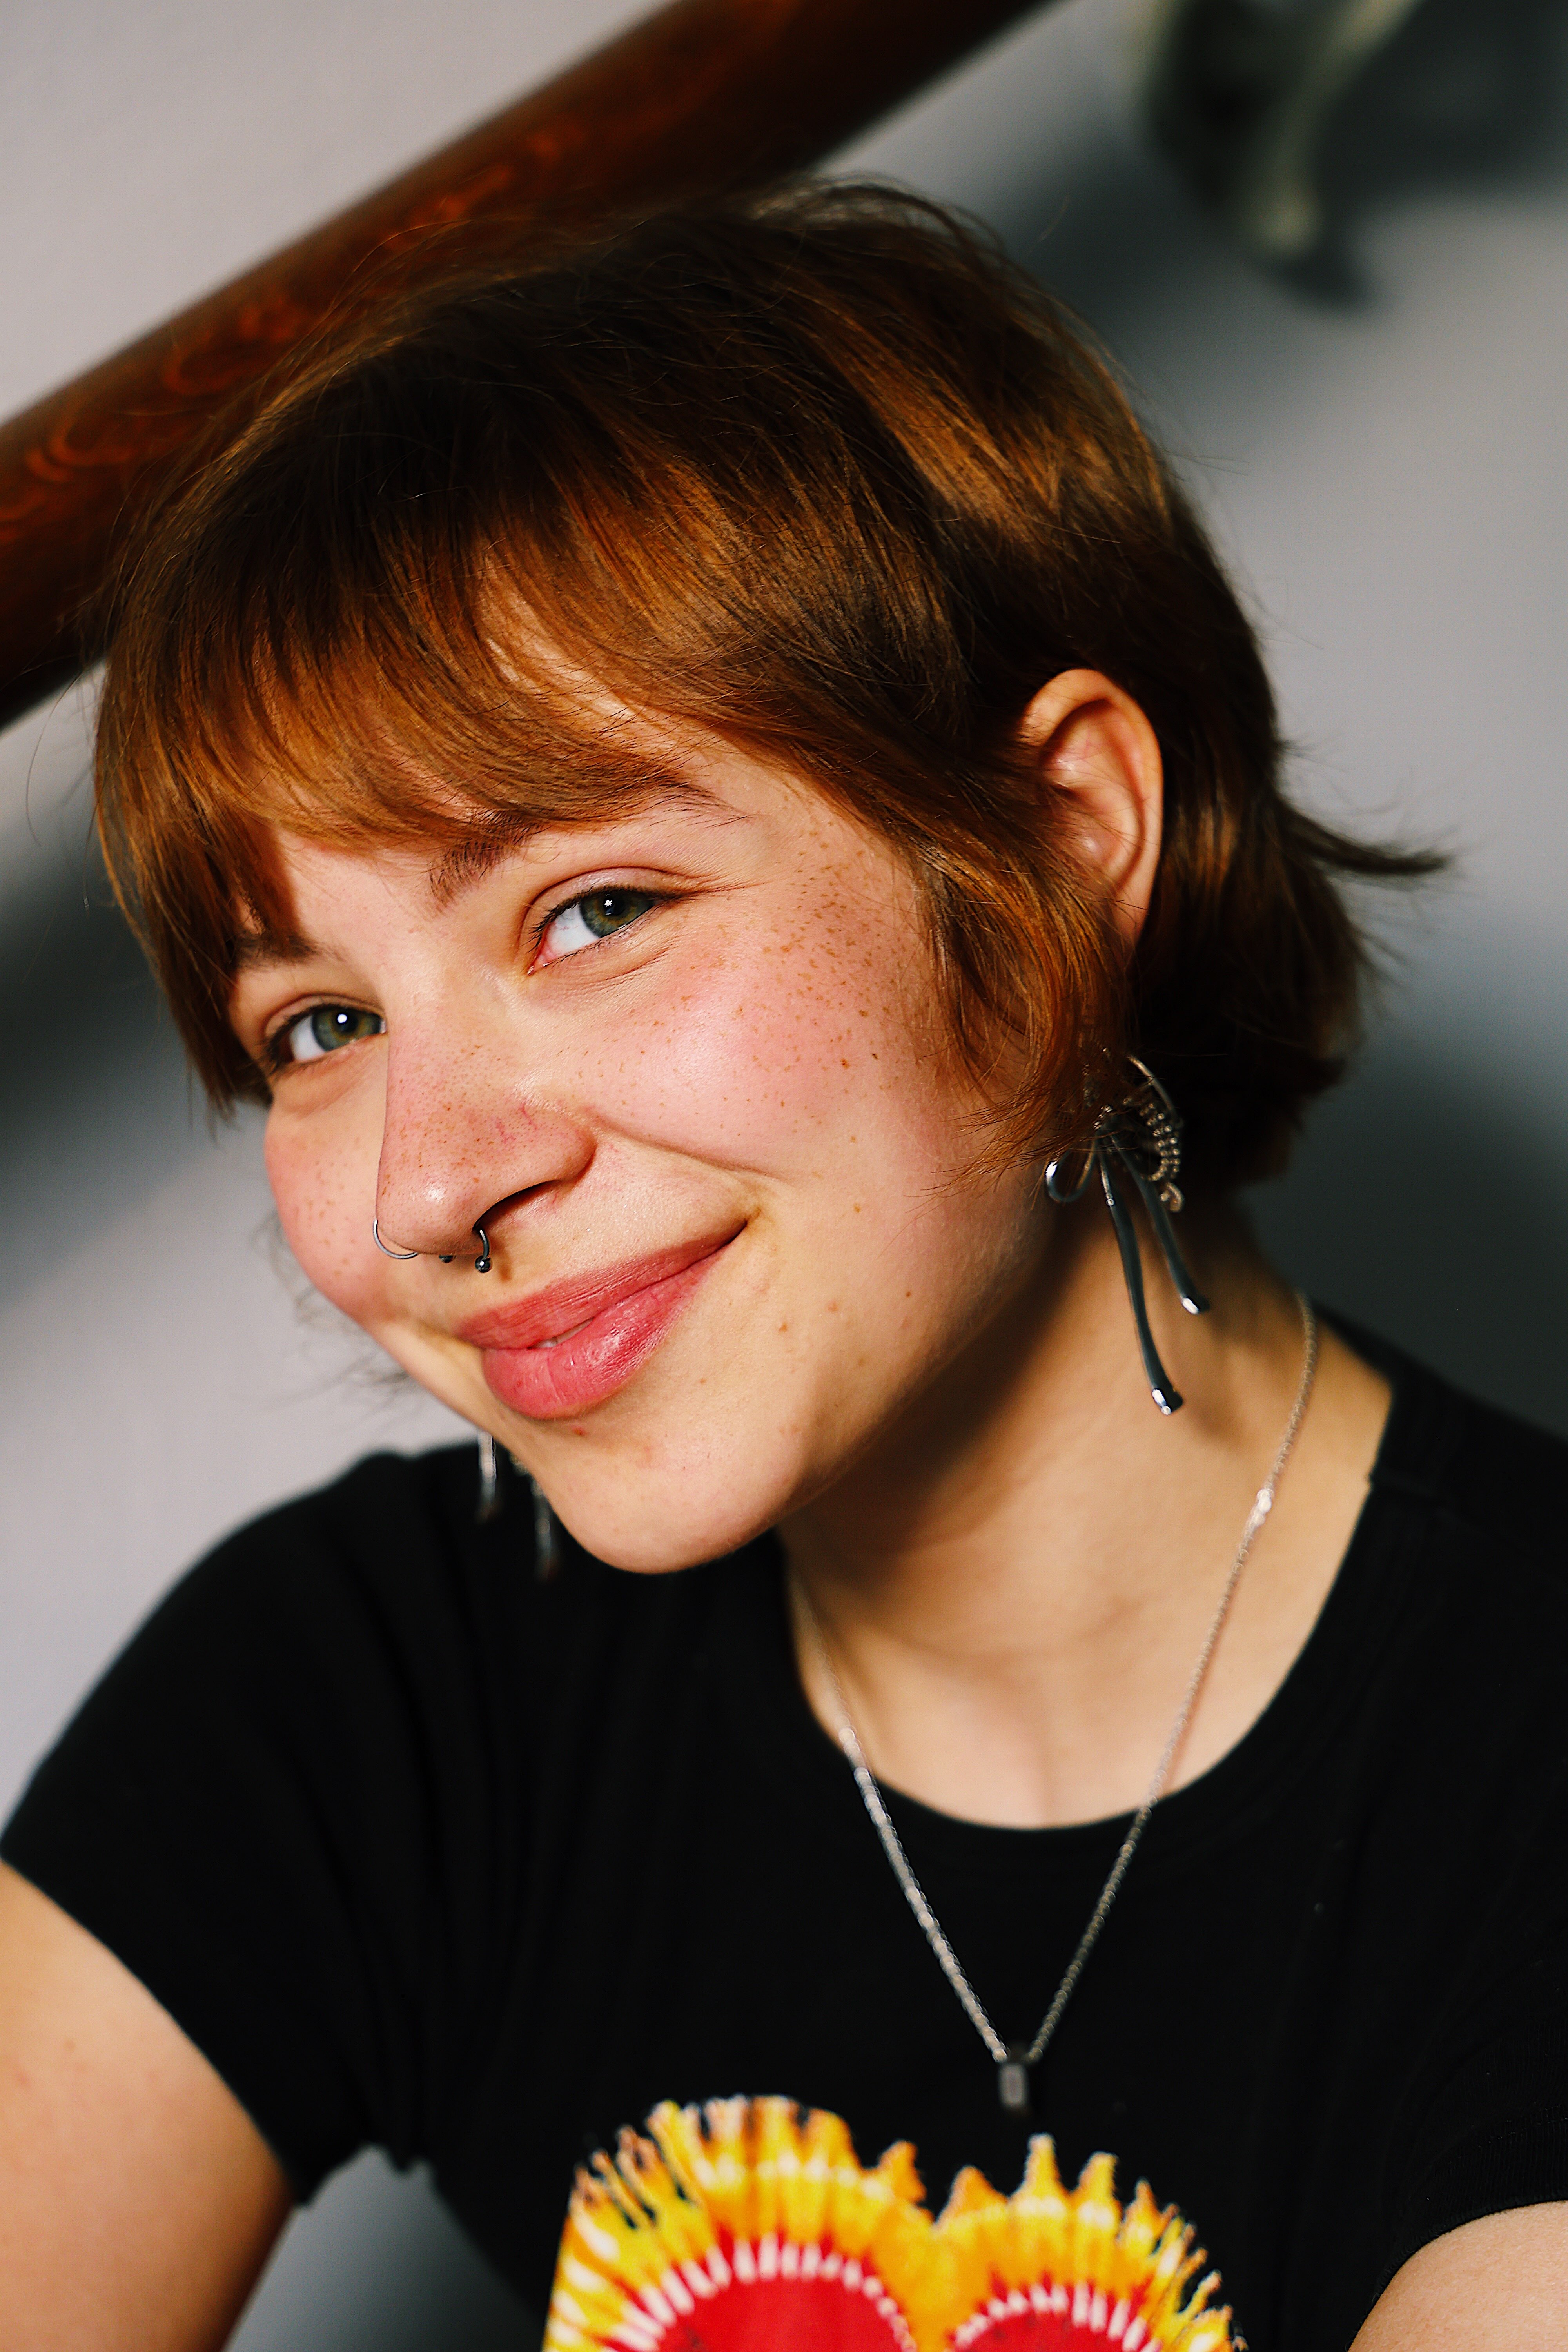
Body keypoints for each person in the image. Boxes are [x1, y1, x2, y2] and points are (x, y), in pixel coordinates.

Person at [1, 183, 1564, 2352]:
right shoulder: (371, 1679)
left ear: (1061, 841)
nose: (427, 1190)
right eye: (321, 1027)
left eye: (591, 910)